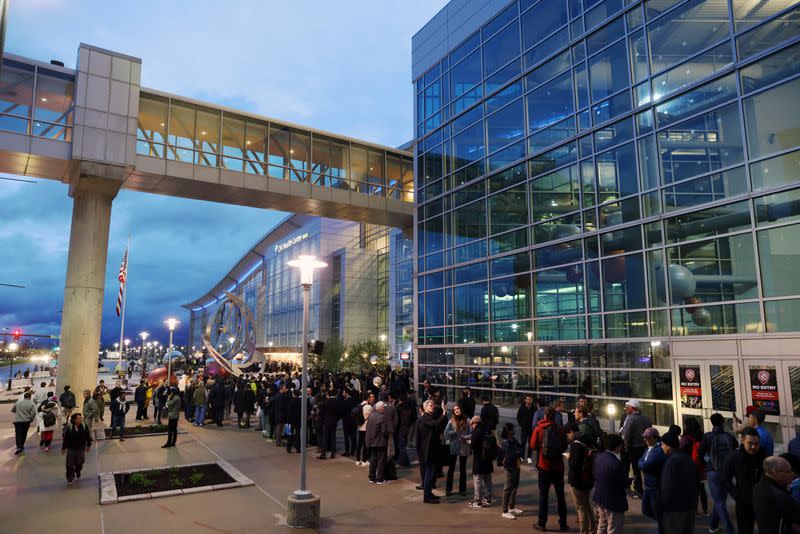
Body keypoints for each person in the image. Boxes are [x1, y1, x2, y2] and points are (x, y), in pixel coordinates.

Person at [698, 413, 738, 534]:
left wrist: (708, 464)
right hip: (727, 471)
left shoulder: (707, 436)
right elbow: (735, 449)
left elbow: (700, 454)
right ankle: (713, 525)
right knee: (720, 499)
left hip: (713, 472)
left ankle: (729, 530)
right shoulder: (729, 436)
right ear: (723, 422)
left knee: (719, 501)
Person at [530, 406, 568, 531]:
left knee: (543, 496)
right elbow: (564, 446)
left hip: (544, 465)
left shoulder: (539, 428)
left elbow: (532, 445)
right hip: (558, 466)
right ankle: (563, 523)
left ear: (545, 416)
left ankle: (542, 523)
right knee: (560, 496)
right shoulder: (559, 429)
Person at [723, 426, 765, 534]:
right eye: (750, 443)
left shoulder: (761, 454)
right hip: (744, 503)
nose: (753, 447)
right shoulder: (734, 457)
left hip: (761, 500)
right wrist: (737, 495)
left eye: (756, 443)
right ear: (742, 440)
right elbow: (725, 479)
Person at [659, 430, 698, 533]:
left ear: (669, 446)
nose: (661, 447)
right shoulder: (688, 458)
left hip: (674, 509)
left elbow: (667, 488)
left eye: (662, 444)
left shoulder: (671, 462)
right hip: (690, 506)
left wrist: (663, 506)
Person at [752, 455, 800, 533]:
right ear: (775, 472)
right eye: (788, 471)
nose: (792, 474)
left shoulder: (758, 486)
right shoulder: (779, 496)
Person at [593, 433, 629, 534]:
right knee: (614, 528)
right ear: (618, 446)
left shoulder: (598, 457)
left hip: (600, 497)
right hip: (614, 501)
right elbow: (624, 483)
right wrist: (629, 480)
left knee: (602, 526)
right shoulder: (617, 463)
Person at [566, 422, 597, 534]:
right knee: (587, 505)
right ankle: (592, 528)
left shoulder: (576, 445)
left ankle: (584, 531)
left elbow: (574, 465)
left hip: (577, 480)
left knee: (580, 507)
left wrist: (569, 458)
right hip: (588, 479)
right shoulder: (586, 440)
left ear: (571, 432)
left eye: (568, 434)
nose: (568, 437)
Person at [416, 398, 448, 501]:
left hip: (431, 449)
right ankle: (427, 496)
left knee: (431, 473)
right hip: (429, 450)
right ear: (425, 407)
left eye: (433, 405)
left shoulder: (427, 417)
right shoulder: (426, 417)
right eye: (431, 405)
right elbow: (436, 424)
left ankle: (429, 493)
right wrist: (443, 413)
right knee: (429, 474)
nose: (433, 407)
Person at [619, 399, 651, 499]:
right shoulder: (645, 418)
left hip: (633, 448)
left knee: (635, 470)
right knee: (642, 469)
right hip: (644, 447)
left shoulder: (631, 419)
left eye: (627, 408)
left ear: (632, 408)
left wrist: (625, 446)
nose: (625, 409)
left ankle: (638, 490)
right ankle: (646, 489)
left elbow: (627, 434)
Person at [638, 427, 666, 529]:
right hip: (648, 486)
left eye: (647, 438)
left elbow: (644, 465)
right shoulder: (647, 449)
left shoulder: (658, 451)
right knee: (646, 510)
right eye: (644, 437)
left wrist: (641, 463)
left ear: (655, 438)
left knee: (657, 513)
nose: (645, 439)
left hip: (655, 487)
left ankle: (665, 527)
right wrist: (642, 463)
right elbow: (642, 462)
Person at [679, 418, 707, 516]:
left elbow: (681, 450)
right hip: (700, 465)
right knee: (702, 488)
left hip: (689, 465)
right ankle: (705, 510)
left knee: (692, 489)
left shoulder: (686, 438)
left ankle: (695, 510)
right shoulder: (701, 435)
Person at [444, 402, 470, 497]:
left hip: (463, 447)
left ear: (461, 409)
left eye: (458, 409)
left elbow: (472, 432)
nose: (456, 411)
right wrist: (455, 431)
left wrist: (466, 437)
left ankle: (462, 490)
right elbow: (446, 433)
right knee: (451, 469)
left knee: (463, 469)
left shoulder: (467, 420)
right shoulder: (451, 421)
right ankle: (448, 489)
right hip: (453, 447)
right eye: (455, 410)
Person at [467, 415, 495, 508]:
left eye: (472, 424)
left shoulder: (476, 432)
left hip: (479, 459)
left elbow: (473, 446)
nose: (472, 426)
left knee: (478, 480)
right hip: (488, 460)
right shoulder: (487, 430)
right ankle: (488, 498)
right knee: (487, 479)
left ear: (475, 423)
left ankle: (477, 501)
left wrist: (468, 442)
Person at [498, 422, 523, 520]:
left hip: (516, 465)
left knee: (514, 486)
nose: (514, 430)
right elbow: (512, 454)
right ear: (509, 431)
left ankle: (511, 506)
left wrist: (517, 452)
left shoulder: (513, 440)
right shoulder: (505, 442)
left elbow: (520, 449)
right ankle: (504, 510)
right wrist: (517, 452)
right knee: (508, 487)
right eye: (513, 429)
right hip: (509, 466)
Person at [62, 413, 92, 486]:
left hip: (80, 448)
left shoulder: (84, 426)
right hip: (71, 448)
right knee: (69, 464)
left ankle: (78, 471)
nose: (80, 419)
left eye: (81, 418)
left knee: (80, 462)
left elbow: (88, 436)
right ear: (74, 420)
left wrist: (88, 445)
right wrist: (64, 448)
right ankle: (70, 478)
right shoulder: (69, 427)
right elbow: (66, 438)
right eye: (78, 418)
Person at [365, 401, 390, 485]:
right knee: (381, 461)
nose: (384, 408)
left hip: (371, 442)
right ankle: (380, 479)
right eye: (383, 407)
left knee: (373, 460)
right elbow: (384, 432)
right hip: (380, 442)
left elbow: (368, 428)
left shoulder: (371, 416)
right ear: (381, 408)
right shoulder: (382, 417)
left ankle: (372, 477)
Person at [319, 389, 341, 459]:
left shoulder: (325, 402)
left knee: (325, 438)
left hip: (326, 421)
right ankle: (333, 454)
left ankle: (323, 454)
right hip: (334, 421)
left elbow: (321, 413)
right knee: (333, 437)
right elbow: (338, 413)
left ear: (328, 395)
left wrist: (322, 421)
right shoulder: (337, 402)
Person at [356, 391, 374, 467]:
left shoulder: (360, 405)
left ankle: (357, 460)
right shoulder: (369, 407)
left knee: (359, 444)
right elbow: (372, 417)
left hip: (360, 427)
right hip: (366, 428)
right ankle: (364, 460)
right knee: (365, 445)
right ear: (368, 398)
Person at [516, 394, 535, 464]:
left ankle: (529, 457)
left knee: (530, 443)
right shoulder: (522, 408)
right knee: (523, 443)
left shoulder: (534, 408)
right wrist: (522, 425)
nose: (529, 401)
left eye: (530, 399)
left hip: (531, 429)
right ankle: (522, 456)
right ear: (525, 400)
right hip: (524, 428)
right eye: (527, 399)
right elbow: (518, 417)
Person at [341, 388, 358, 457]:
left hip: (346, 421)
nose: (343, 393)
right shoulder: (354, 400)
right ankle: (353, 451)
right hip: (354, 420)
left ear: (347, 393)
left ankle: (347, 451)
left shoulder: (345, 401)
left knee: (346, 437)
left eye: (344, 392)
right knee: (353, 437)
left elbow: (342, 411)